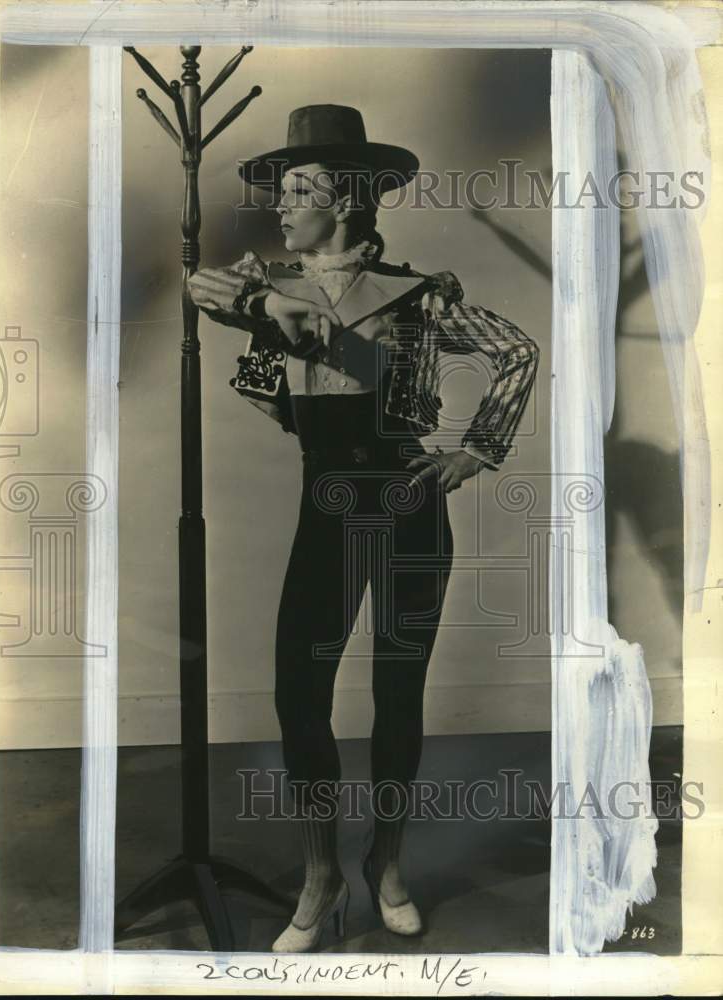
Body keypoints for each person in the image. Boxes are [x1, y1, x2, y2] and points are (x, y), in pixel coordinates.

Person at [189, 104, 540, 953]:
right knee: (299, 695)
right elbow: (237, 338)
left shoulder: (418, 294)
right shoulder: (274, 288)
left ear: (343, 198)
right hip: (329, 508)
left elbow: (517, 350)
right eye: (281, 189)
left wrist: (475, 451)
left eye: (298, 188)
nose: (281, 205)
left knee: (396, 695)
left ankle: (386, 863)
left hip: (410, 507)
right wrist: (267, 316)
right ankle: (320, 876)